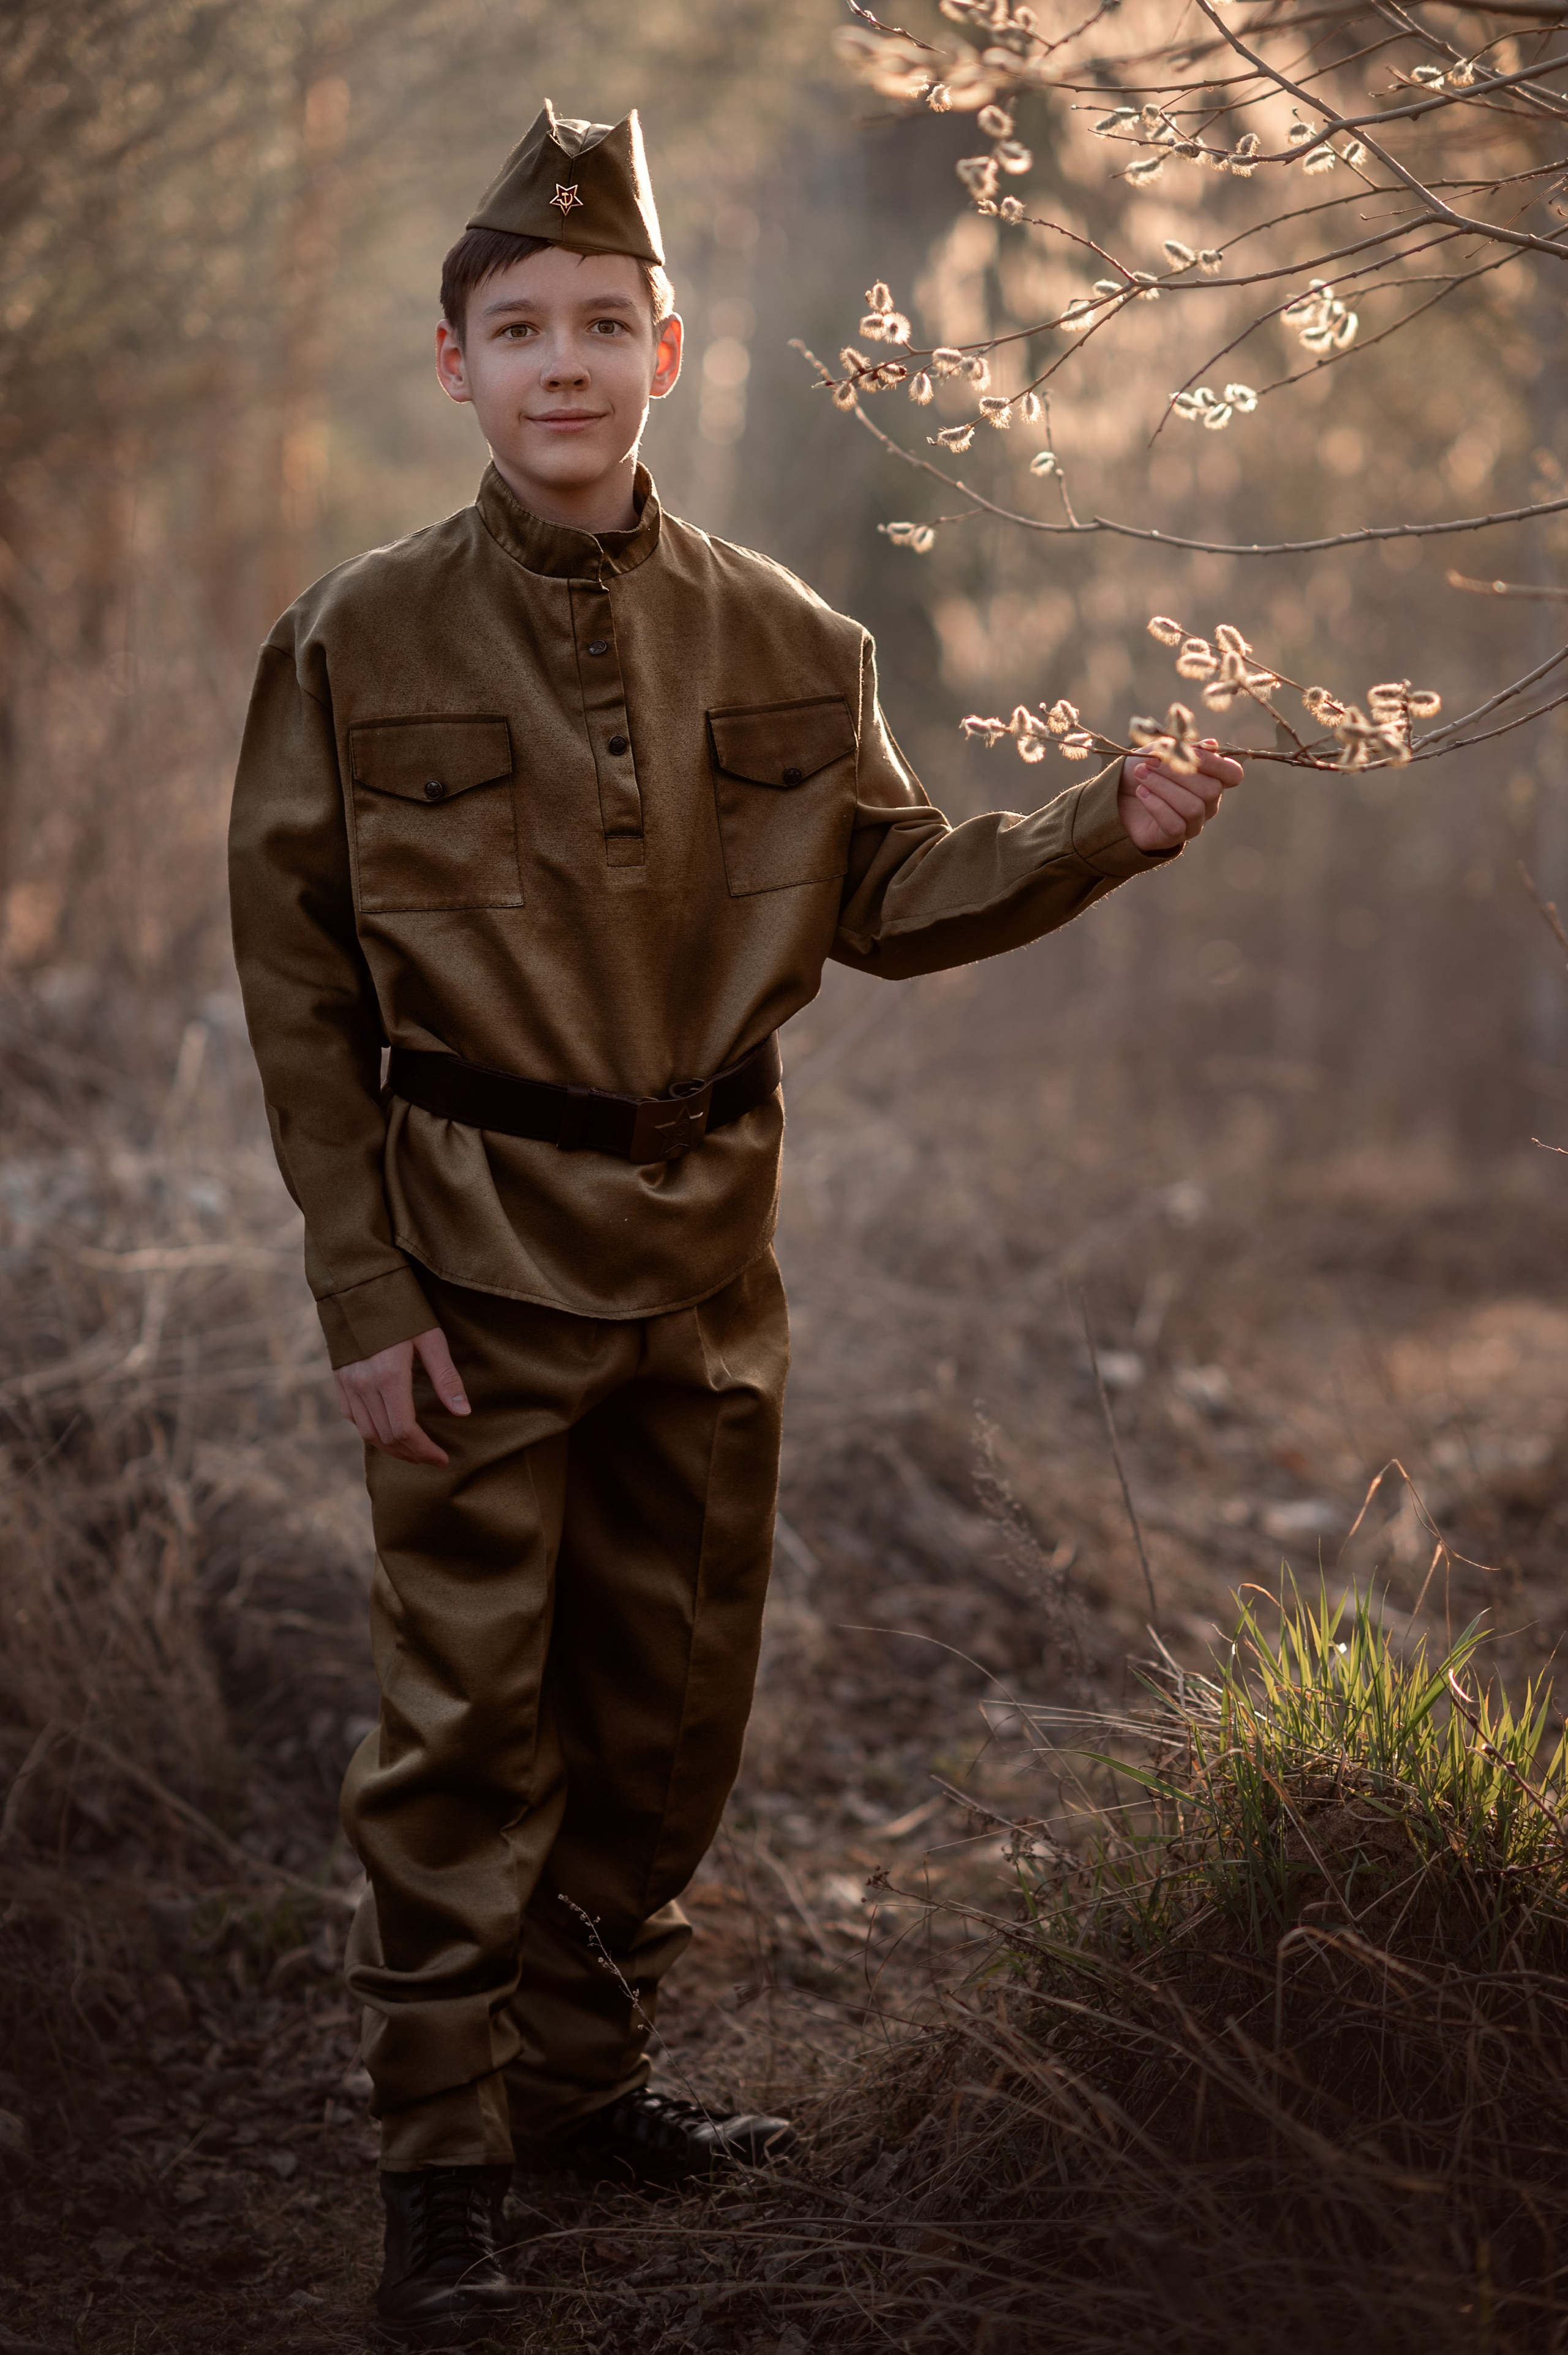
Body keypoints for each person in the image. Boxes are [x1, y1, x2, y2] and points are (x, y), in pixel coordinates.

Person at [228, 98, 1242, 2346]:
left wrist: (1108, 829)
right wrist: (360, 1279)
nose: (565, 361)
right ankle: (438, 2162)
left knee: (668, 1708)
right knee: (469, 1719)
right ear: (455, 366)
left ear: (671, 350)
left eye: (606, 321)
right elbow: (299, 994)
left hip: (707, 1268)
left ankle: (583, 2088)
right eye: (521, 329)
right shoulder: (354, 639)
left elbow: (889, 891)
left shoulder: (789, 636)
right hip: (469, 1272)